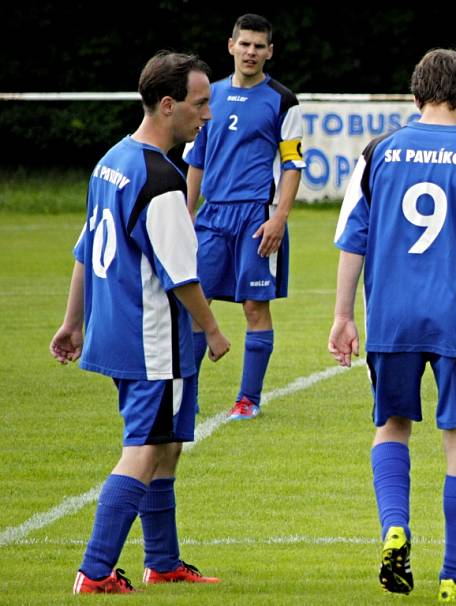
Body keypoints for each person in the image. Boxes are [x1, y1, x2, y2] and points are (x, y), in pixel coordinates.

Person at [329, 49, 456, 602]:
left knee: (391, 425)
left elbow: (353, 240)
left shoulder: (377, 153)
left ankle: (395, 526)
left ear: (415, 97)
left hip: (391, 316)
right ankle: (453, 579)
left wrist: (344, 316)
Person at [50, 51, 231, 594]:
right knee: (146, 447)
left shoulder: (112, 160)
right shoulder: (161, 180)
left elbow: (85, 249)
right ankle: (96, 569)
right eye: (200, 104)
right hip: (154, 341)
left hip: (118, 334)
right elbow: (181, 275)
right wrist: (212, 329)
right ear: (169, 104)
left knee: (168, 443)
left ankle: (164, 561)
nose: (207, 115)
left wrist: (72, 322)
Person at [184, 13, 305, 420]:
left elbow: (292, 165)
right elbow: (196, 161)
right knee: (195, 304)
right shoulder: (207, 95)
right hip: (212, 217)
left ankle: (247, 400)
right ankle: (187, 398)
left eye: (259, 46)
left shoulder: (283, 101)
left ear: (269, 51)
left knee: (255, 307)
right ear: (231, 45)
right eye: (245, 44)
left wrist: (279, 218)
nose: (251, 52)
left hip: (257, 217)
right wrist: (186, 215)